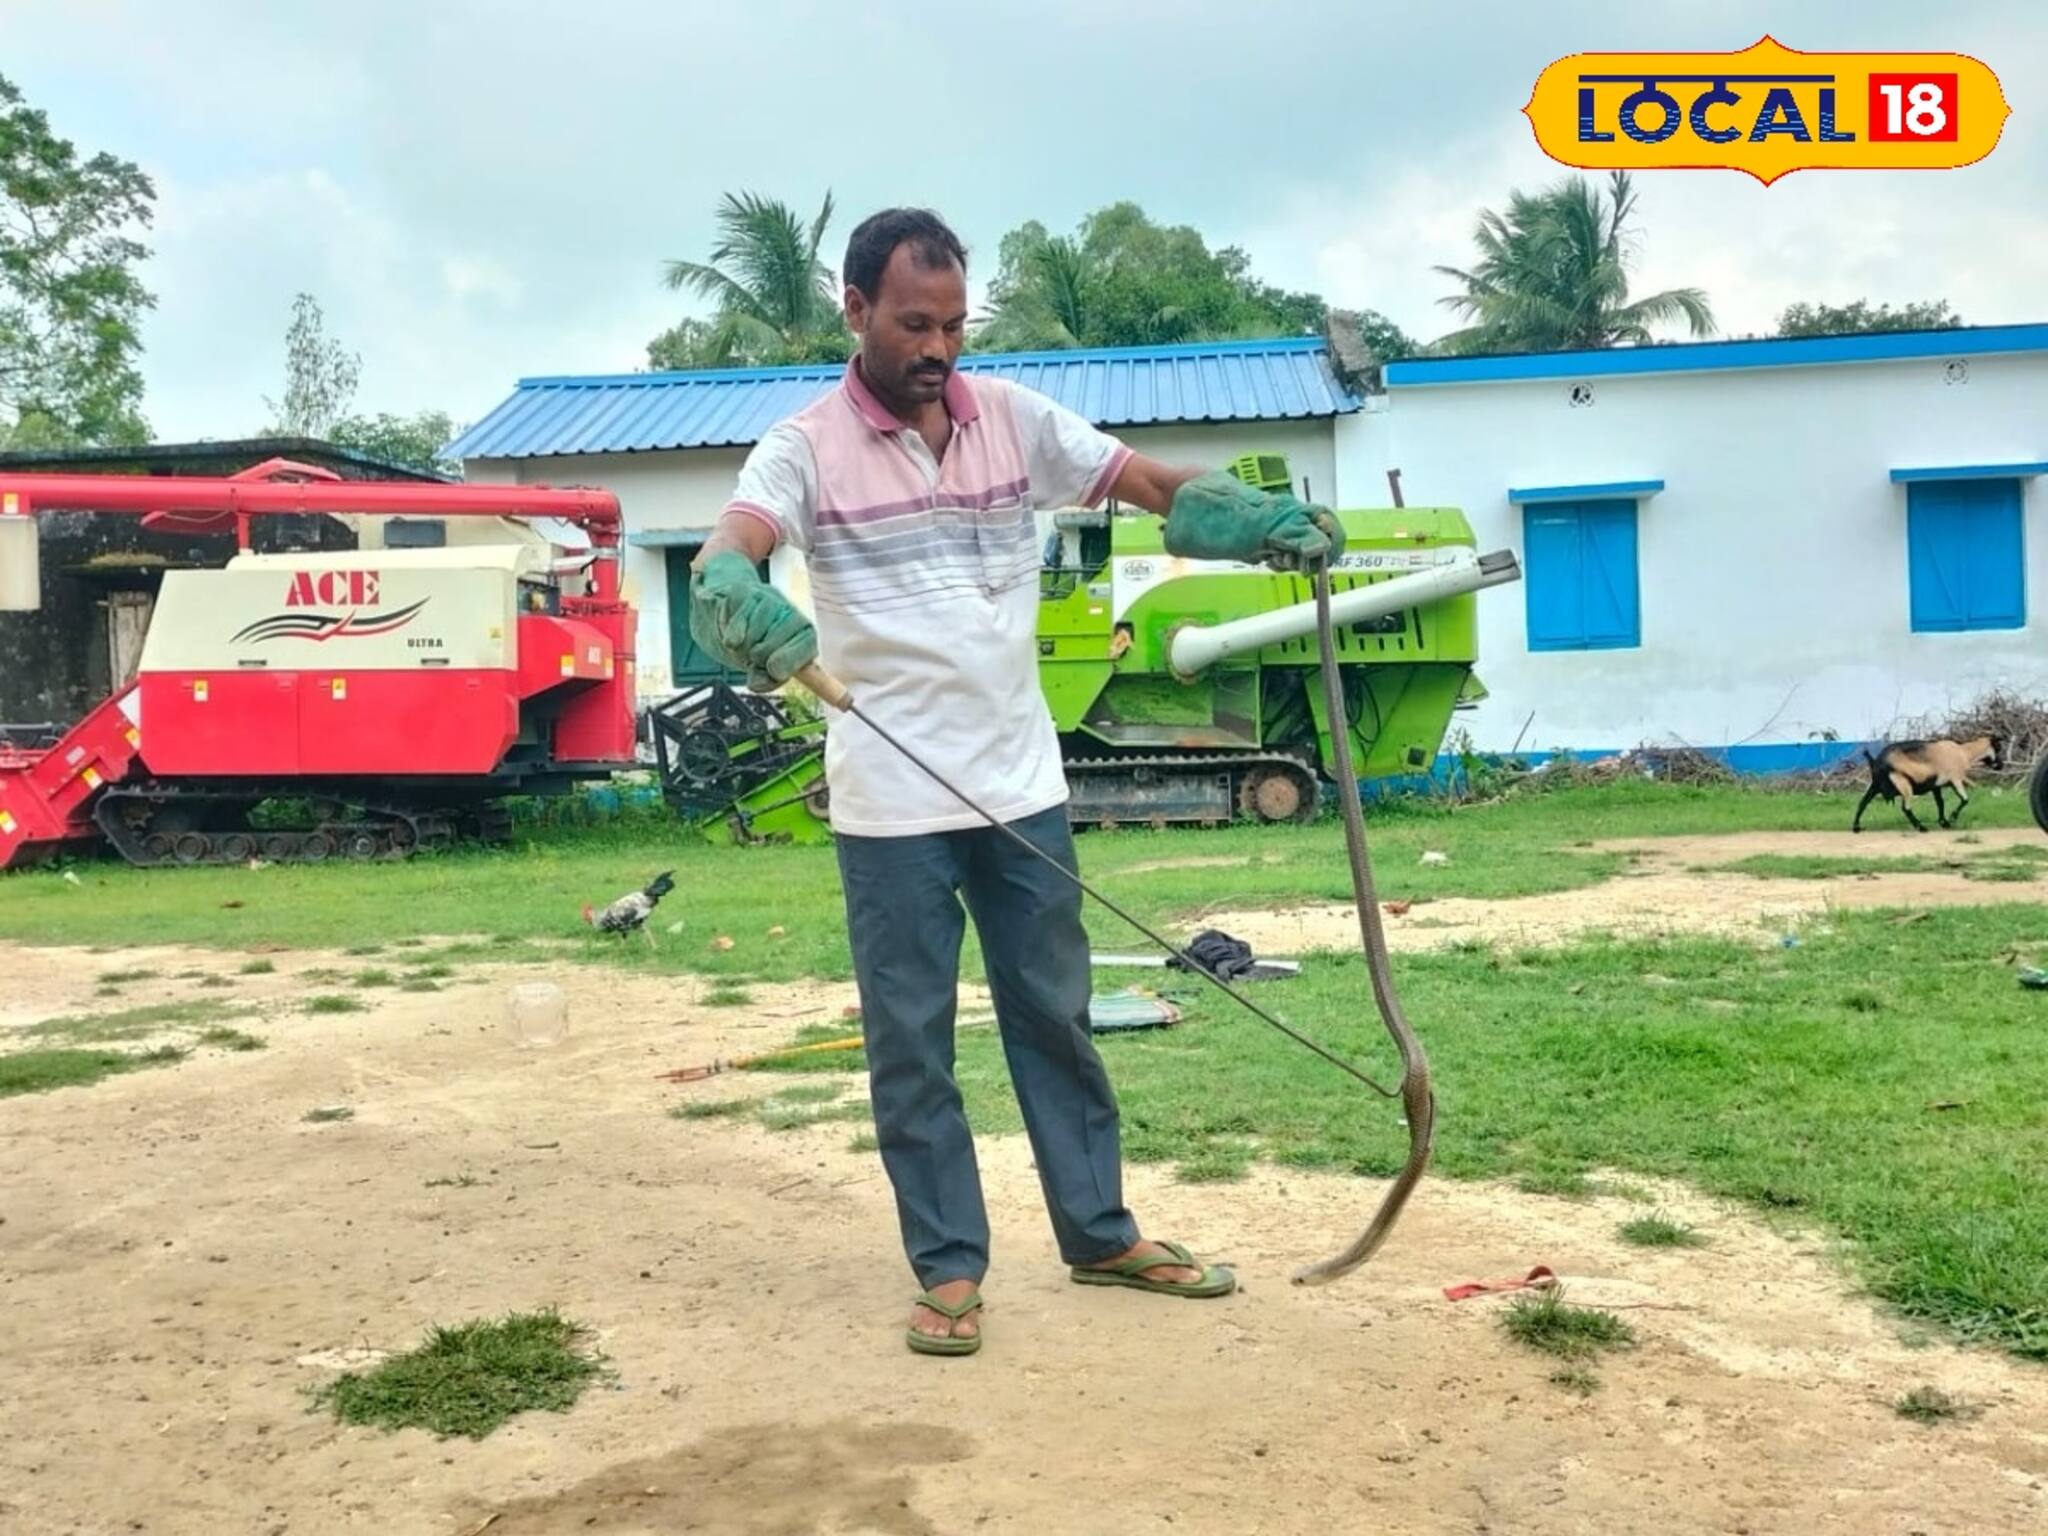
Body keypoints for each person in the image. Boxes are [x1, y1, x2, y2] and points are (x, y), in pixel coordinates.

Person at [688, 207, 1343, 1357]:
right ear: (854, 312)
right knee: (910, 1040)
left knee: (1056, 1018)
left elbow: (1146, 483)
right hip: (890, 806)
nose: (936, 350)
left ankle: (1097, 1234)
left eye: (950, 325)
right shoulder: (799, 447)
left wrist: (1248, 521)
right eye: (910, 324)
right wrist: (730, 587)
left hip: (1020, 785)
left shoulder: (1010, 420)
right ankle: (947, 1270)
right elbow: (731, 546)